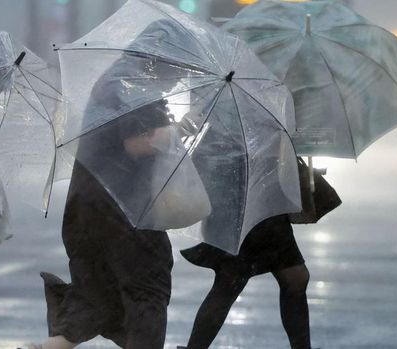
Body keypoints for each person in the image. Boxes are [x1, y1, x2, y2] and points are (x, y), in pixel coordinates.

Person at [24, 19, 198, 349]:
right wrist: (179, 130)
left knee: (97, 296)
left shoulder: (119, 79)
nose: (180, 75)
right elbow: (135, 143)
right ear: (160, 59)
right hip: (122, 206)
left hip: (87, 204)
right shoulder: (134, 86)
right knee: (148, 290)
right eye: (178, 66)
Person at [177, 160, 340, 349]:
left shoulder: (261, 132)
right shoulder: (233, 134)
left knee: (290, 278)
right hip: (243, 206)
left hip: (261, 206)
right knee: (232, 281)